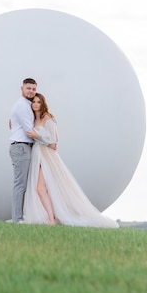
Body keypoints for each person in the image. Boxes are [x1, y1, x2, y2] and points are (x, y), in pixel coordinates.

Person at [23, 93, 119, 228]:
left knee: (40, 188)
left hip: (46, 157)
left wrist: (37, 135)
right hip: (37, 155)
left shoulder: (47, 118)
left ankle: (52, 219)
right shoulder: (33, 120)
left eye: (38, 102)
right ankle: (52, 216)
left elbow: (54, 141)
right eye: (33, 102)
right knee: (40, 188)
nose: (35, 104)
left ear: (43, 103)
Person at [8, 78, 38, 223]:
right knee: (20, 184)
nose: (31, 91)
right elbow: (29, 130)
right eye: (28, 88)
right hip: (21, 147)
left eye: (33, 89)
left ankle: (23, 217)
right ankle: (17, 219)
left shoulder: (28, 105)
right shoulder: (21, 106)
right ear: (22, 89)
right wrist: (49, 140)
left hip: (26, 146)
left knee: (27, 184)